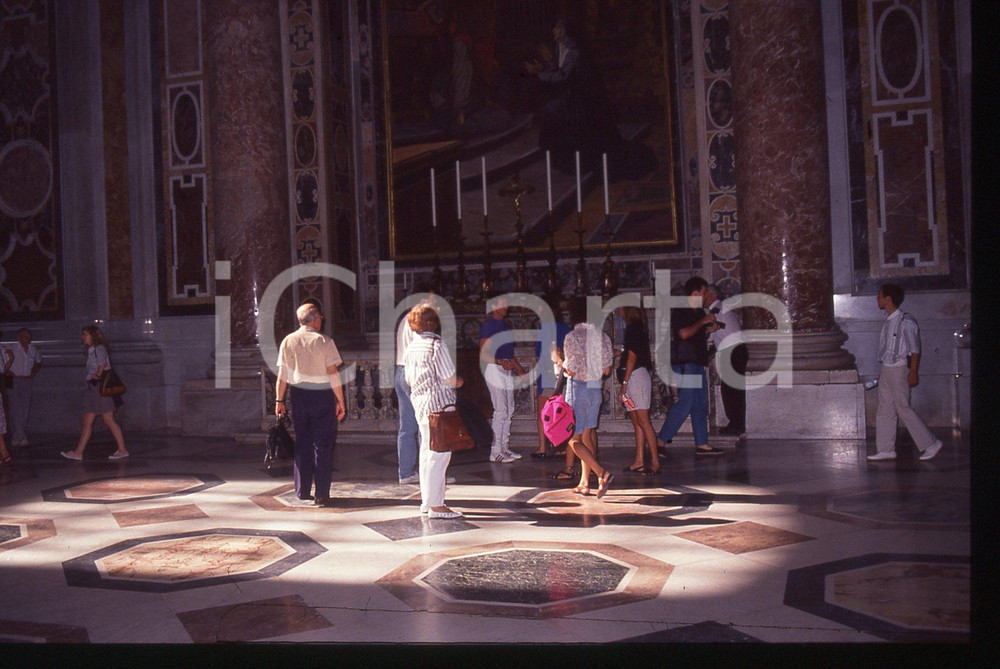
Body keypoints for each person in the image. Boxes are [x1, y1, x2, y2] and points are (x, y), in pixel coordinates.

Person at [275, 303, 347, 505]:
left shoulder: (288, 341)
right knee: (323, 445)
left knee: (302, 442)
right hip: (322, 394)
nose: (321, 320)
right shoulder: (324, 341)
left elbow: (282, 376)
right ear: (315, 319)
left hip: (299, 395)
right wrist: (340, 400)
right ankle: (322, 493)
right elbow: (333, 372)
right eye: (320, 317)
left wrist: (279, 400)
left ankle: (302, 490)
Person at [868, 283, 943, 461]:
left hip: (899, 369)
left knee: (903, 408)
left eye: (879, 295)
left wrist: (913, 372)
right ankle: (886, 449)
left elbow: (914, 350)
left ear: (888, 298)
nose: (876, 299)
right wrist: (883, 371)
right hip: (887, 369)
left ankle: (931, 443)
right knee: (885, 409)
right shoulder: (888, 321)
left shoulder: (906, 321)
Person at [404, 304, 464, 519]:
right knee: (440, 453)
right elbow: (448, 377)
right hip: (439, 405)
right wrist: (459, 381)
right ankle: (437, 506)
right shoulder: (436, 345)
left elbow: (409, 380)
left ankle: (427, 501)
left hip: (420, 403)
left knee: (427, 452)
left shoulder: (412, 347)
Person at [657, 277, 725, 456]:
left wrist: (708, 329)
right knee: (685, 403)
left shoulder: (699, 313)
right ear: (695, 292)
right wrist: (702, 324)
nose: (707, 296)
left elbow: (696, 333)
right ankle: (660, 441)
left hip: (697, 363)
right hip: (685, 363)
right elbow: (683, 333)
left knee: (700, 405)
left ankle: (702, 443)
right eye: (705, 292)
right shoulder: (682, 311)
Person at [560, 297, 614, 498]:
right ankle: (584, 483)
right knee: (587, 435)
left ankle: (601, 473)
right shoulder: (603, 337)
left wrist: (559, 361)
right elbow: (607, 369)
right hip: (595, 389)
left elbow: (571, 370)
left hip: (578, 390)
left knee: (573, 439)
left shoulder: (572, 337)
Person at [61, 326, 129, 461]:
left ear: (93, 336)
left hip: (99, 387)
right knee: (88, 421)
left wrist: (97, 375)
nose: (83, 337)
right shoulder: (92, 350)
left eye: (85, 334)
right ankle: (78, 452)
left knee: (108, 420)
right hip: (94, 388)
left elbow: (102, 364)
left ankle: (122, 450)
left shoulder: (99, 348)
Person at [479, 297, 526, 463]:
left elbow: (508, 352)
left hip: (506, 369)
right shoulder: (489, 326)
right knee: (500, 410)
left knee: (509, 409)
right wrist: (499, 362)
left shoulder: (505, 326)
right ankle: (495, 450)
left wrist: (519, 369)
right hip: (493, 368)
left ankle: (504, 447)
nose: (506, 306)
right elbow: (483, 353)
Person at [618, 306, 660, 475]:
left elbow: (633, 357)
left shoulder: (633, 328)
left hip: (636, 377)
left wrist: (624, 383)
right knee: (637, 421)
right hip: (634, 377)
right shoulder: (636, 328)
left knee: (643, 420)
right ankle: (639, 460)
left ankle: (655, 461)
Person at [706, 285, 747, 437]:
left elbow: (709, 335)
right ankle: (736, 424)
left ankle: (736, 425)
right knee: (732, 390)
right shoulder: (719, 309)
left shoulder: (716, 311)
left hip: (732, 351)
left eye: (705, 293)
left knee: (731, 391)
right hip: (733, 351)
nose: (702, 296)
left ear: (714, 296)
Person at [532, 302, 571, 459]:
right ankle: (562, 447)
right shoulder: (565, 328)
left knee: (543, 413)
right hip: (562, 373)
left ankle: (542, 448)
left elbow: (538, 351)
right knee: (561, 412)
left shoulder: (544, 328)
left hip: (547, 373)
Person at [3, 328, 43, 447]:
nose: (27, 339)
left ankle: (19, 435)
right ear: (19, 337)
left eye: (29, 337)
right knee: (17, 410)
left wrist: (33, 373)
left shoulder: (33, 349)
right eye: (25, 337)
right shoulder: (12, 348)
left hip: (26, 381)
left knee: (25, 410)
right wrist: (8, 372)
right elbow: (4, 362)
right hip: (14, 381)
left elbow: (38, 361)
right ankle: (19, 436)